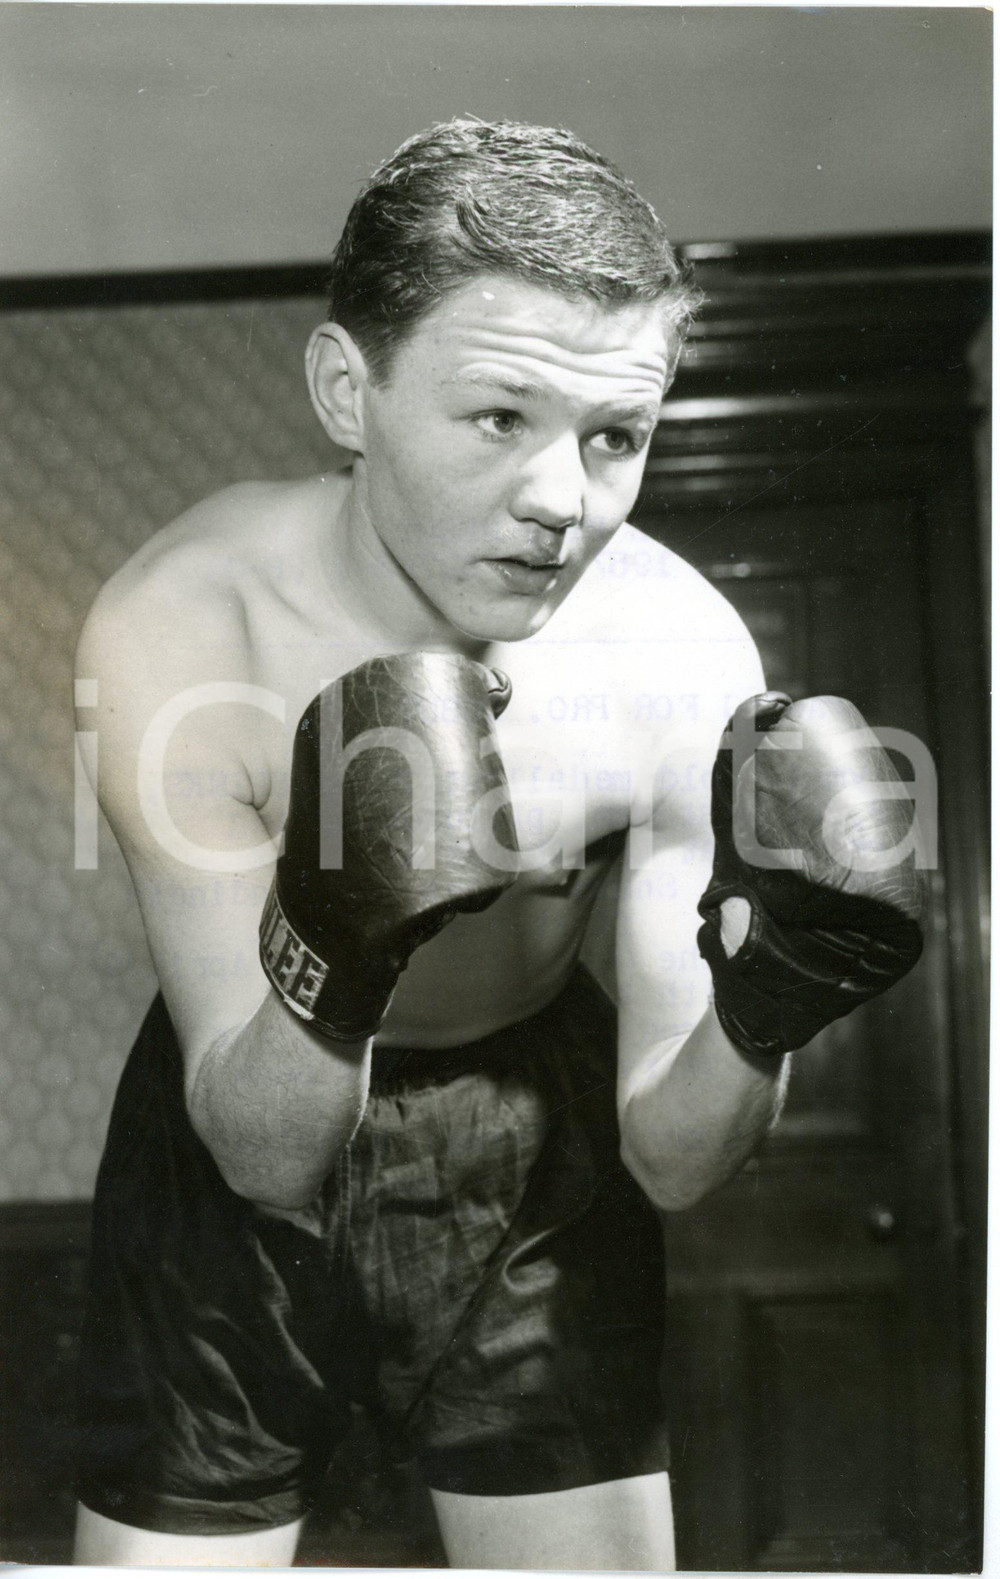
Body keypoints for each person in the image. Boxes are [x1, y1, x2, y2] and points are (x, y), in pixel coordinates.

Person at [71, 119, 924, 1569]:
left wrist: (771, 1007)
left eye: (617, 436)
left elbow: (670, 1157)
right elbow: (263, 1158)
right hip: (242, 1109)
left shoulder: (676, 650)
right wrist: (340, 937)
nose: (562, 501)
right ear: (350, 391)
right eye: (497, 418)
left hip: (540, 1130)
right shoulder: (187, 625)